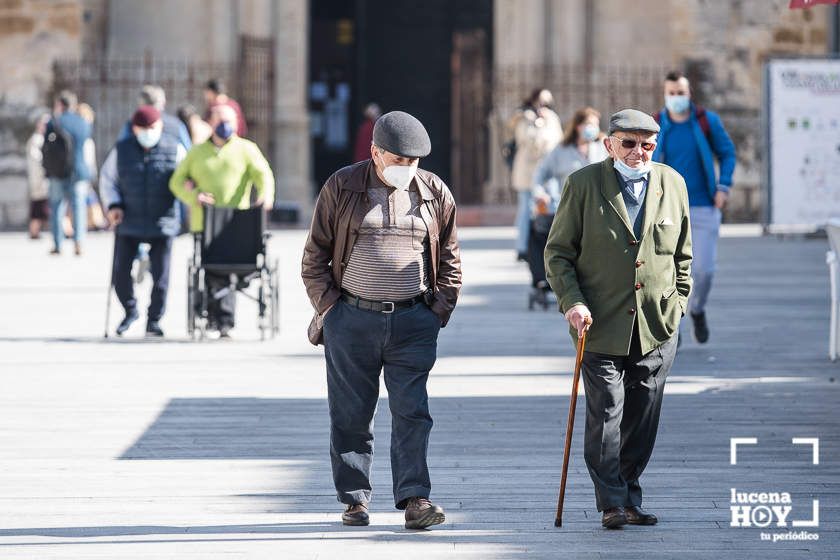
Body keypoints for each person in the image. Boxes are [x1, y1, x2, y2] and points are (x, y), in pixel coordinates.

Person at [301, 111, 461, 529]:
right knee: (351, 413)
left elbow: (450, 259)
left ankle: (415, 499)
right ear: (375, 153)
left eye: (413, 162)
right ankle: (354, 499)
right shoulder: (343, 186)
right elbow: (314, 255)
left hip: (413, 320)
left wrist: (438, 310)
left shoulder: (434, 192)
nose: (406, 169)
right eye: (398, 160)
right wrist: (331, 310)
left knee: (413, 412)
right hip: (351, 317)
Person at [544, 109, 692, 529]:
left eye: (647, 144)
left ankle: (628, 492)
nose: (637, 152)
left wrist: (679, 302)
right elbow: (557, 253)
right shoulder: (584, 184)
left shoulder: (673, 184)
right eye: (628, 143)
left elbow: (683, 253)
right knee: (607, 411)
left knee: (643, 416)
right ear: (609, 144)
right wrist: (572, 302)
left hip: (657, 323)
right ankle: (611, 501)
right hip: (599, 322)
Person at [170, 104, 274, 338]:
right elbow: (176, 181)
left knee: (229, 271)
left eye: (229, 119)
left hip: (238, 226)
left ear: (236, 123)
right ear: (211, 123)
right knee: (209, 271)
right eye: (219, 119)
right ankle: (213, 317)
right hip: (205, 224)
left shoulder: (247, 149)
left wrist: (266, 196)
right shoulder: (196, 153)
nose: (224, 124)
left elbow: (263, 174)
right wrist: (193, 196)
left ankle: (224, 321)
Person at [652, 70, 736, 344]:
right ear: (665, 95)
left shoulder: (705, 121)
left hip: (702, 206)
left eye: (681, 93)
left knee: (704, 271)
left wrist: (723, 186)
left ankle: (697, 309)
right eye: (672, 93)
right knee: (666, 272)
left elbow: (727, 153)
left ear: (690, 94)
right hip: (663, 209)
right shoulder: (656, 124)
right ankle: (672, 326)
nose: (676, 97)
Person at [100, 106, 185, 337]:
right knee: (120, 273)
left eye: (153, 128)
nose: (149, 132)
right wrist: (113, 205)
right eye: (144, 128)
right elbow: (108, 180)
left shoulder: (174, 149)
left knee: (161, 277)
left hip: (162, 221)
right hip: (129, 220)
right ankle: (130, 311)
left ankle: (154, 321)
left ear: (160, 127)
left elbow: (185, 178)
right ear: (135, 128)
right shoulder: (122, 150)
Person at [529, 107, 609, 304]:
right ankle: (545, 280)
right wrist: (541, 194)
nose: (590, 128)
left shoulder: (603, 147)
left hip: (598, 209)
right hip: (567, 209)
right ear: (577, 126)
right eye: (586, 124)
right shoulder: (561, 151)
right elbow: (540, 174)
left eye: (594, 124)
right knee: (540, 234)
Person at [510, 88, 562, 261]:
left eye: (547, 103)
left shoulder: (552, 119)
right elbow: (526, 141)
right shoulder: (524, 118)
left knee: (550, 209)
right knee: (526, 210)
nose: (543, 106)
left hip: (547, 173)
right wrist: (537, 125)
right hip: (527, 171)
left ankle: (550, 245)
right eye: (541, 102)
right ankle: (522, 247)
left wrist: (546, 124)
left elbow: (557, 142)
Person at [45, 89, 92, 256]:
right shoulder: (83, 122)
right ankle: (79, 242)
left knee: (57, 207)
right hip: (78, 170)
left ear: (60, 105)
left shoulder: (54, 122)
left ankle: (58, 243)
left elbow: (46, 148)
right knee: (79, 207)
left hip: (58, 172)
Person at [118, 85, 192, 150]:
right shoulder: (176, 125)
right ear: (163, 103)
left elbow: (119, 150)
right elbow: (188, 151)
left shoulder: (131, 125)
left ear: (141, 105)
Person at [77, 103, 107, 231]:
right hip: (81, 173)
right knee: (81, 200)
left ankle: (94, 221)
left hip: (84, 173)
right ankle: (95, 221)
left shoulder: (85, 137)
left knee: (84, 199)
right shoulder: (82, 138)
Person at [26, 114, 51, 239]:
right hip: (39, 179)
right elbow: (36, 161)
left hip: (41, 179)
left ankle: (35, 231)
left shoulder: (41, 138)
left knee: (41, 207)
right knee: (38, 207)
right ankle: (34, 231)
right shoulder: (36, 139)